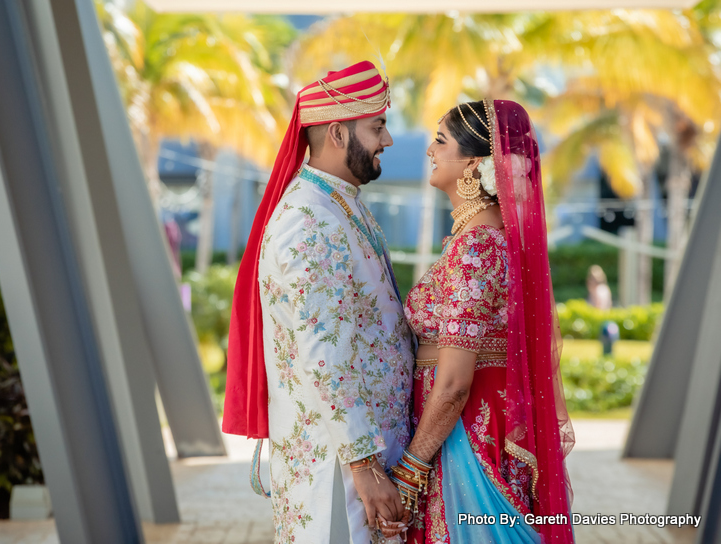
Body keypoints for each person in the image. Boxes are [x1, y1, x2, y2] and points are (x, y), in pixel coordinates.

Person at [223, 61, 414, 543]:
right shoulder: (309, 219)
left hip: (360, 455)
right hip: (339, 468)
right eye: (377, 128)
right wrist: (364, 467)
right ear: (336, 133)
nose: (387, 141)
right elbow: (324, 354)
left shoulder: (338, 204)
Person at [390, 100, 576, 543]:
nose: (430, 152)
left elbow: (454, 383)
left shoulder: (477, 248)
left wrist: (410, 469)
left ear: (473, 162)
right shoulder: (488, 239)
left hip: (465, 437)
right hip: (473, 422)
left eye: (440, 141)